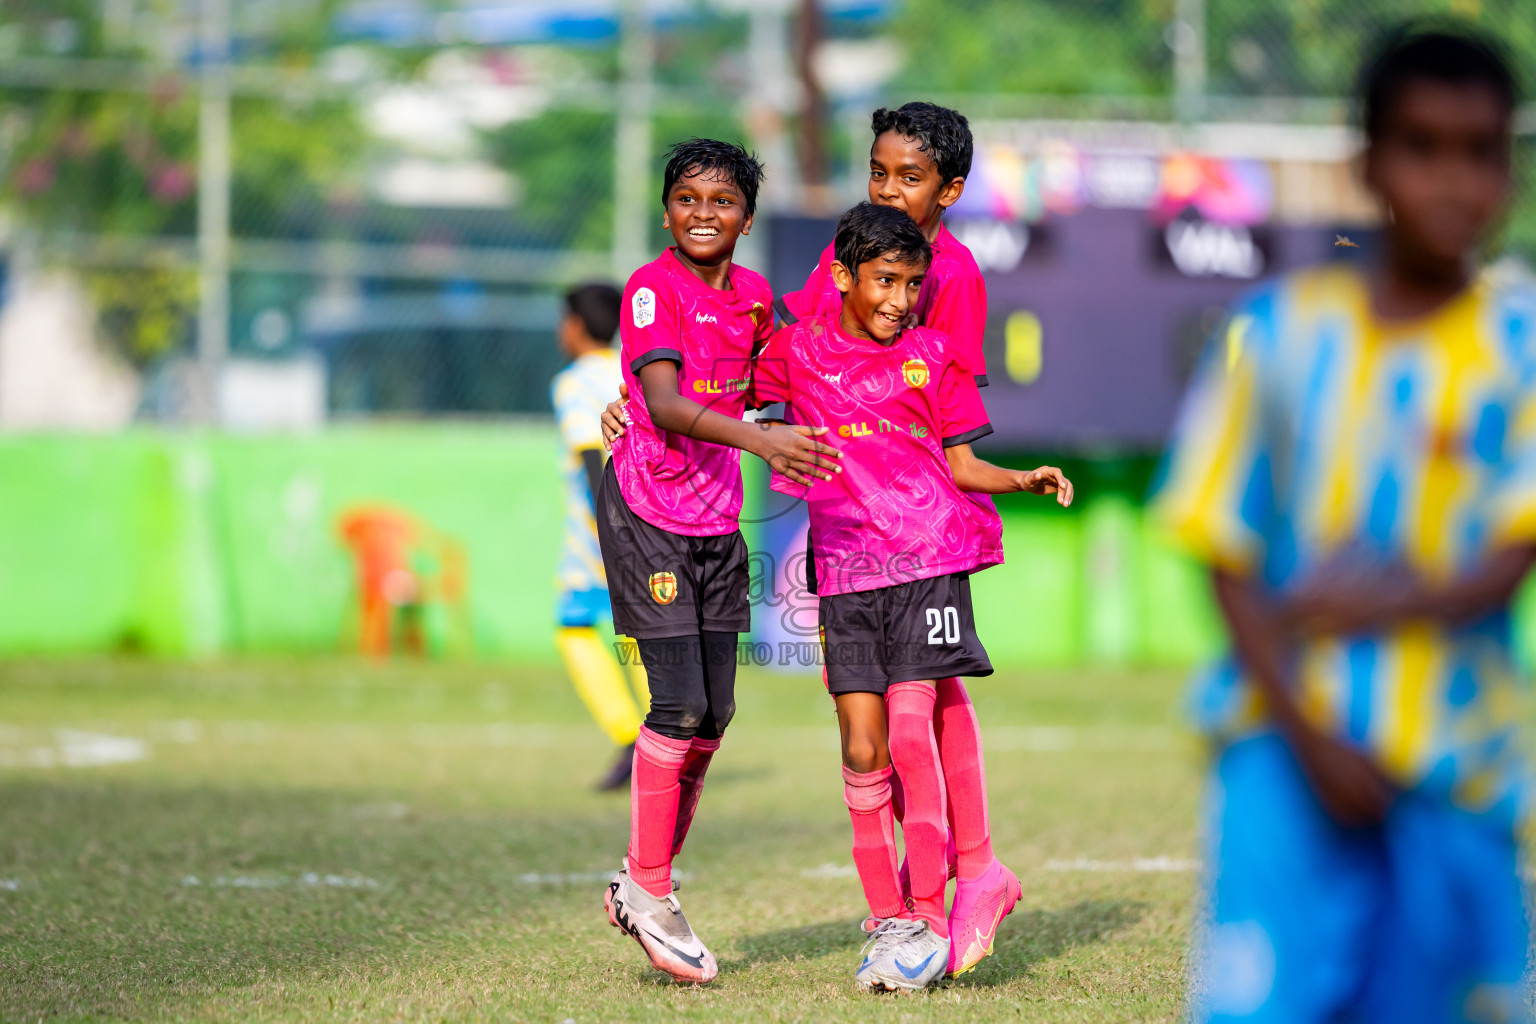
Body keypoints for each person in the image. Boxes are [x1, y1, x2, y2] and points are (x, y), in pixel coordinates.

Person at [1154, 26, 1533, 1023]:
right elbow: (1220, 541)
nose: (1454, 182)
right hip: (1283, 747)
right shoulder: (1279, 332)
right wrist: (1308, 732)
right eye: (1422, 146)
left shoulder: (1522, 345)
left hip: (1458, 757)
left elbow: (1511, 553)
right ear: (1368, 160)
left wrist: (1368, 601)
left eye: (1482, 152)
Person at [601, 104, 1016, 975]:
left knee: (925, 707)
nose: (890, 191)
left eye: (910, 177)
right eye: (879, 172)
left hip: (921, 532)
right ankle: (892, 905)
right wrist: (646, 402)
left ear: (952, 191)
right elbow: (770, 368)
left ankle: (964, 878)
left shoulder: (959, 275)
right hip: (840, 534)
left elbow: (950, 418)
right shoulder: (834, 256)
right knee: (856, 729)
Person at [753, 202, 1072, 991]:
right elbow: (733, 405)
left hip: (928, 561)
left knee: (906, 728)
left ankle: (927, 915)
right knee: (860, 750)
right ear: (842, 278)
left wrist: (1021, 477)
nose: (899, 298)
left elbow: (963, 464)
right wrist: (634, 409)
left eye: (911, 283)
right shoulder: (796, 353)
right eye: (885, 281)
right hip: (847, 575)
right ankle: (890, 916)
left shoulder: (932, 358)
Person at [597, 138, 841, 985]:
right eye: (688, 198)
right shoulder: (650, 289)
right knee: (679, 702)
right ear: (666, 209)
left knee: (717, 714)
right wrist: (760, 438)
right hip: (646, 513)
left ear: (747, 215)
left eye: (723, 200)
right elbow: (661, 402)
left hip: (712, 521)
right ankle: (652, 889)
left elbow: (778, 381)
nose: (704, 213)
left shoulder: (755, 298)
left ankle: (639, 878)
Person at [549, 282, 653, 791]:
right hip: (644, 517)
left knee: (572, 625)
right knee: (633, 634)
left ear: (573, 325)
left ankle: (633, 735)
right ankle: (660, 737)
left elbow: (593, 455)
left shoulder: (573, 383)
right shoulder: (629, 369)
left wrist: (607, 532)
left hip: (600, 528)